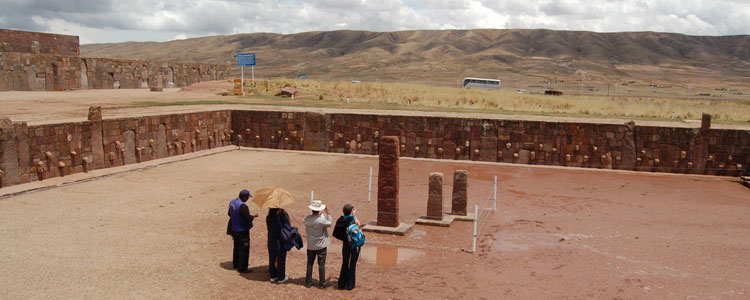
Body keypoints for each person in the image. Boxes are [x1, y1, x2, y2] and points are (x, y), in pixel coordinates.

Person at [302, 200, 333, 288]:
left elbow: (305, 220)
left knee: (310, 264)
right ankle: (322, 283)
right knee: (321, 265)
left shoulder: (307, 219)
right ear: (319, 210)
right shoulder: (322, 219)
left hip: (311, 245)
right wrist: (328, 214)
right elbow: (330, 223)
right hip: (321, 245)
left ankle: (308, 282)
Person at [228, 189, 258, 273]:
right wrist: (253, 216)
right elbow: (247, 219)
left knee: (236, 246)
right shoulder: (243, 206)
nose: (248, 199)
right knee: (244, 248)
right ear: (244, 197)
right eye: (247, 197)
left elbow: (229, 214)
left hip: (234, 228)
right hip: (242, 229)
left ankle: (236, 263)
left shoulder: (232, 202)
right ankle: (243, 267)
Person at [334, 204, 360, 290]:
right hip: (354, 244)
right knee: (352, 264)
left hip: (346, 243)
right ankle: (350, 284)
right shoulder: (352, 219)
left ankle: (341, 283)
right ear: (351, 211)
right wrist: (354, 214)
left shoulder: (340, 220)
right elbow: (358, 224)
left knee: (345, 263)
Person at [267, 207, 291, 283]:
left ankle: (273, 276)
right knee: (281, 259)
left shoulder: (268, 217)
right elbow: (287, 226)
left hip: (271, 240)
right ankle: (281, 277)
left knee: (272, 259)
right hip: (280, 241)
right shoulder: (281, 218)